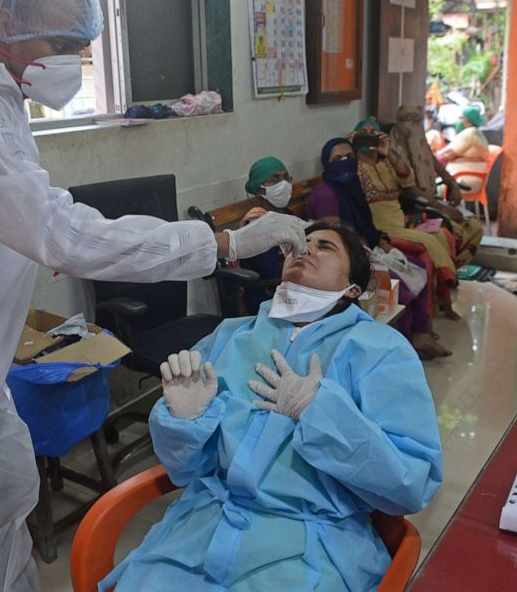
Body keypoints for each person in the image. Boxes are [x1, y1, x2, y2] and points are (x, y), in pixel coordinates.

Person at [0, 0, 307, 592]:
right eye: (61, 45)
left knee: (5, 490)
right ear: (5, 22)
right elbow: (59, 230)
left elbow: (28, 222)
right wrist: (222, 242)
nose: (70, 65)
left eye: (81, 50)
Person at [101, 221, 443, 591]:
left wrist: (322, 414)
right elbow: (187, 469)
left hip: (310, 547)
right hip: (202, 533)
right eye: (299, 242)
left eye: (325, 246)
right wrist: (184, 421)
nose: (305, 249)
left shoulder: (380, 349)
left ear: (353, 288)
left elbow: (411, 483)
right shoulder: (232, 335)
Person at [306, 138, 451, 358]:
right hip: (348, 257)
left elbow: (366, 224)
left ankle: (420, 332)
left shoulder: (352, 187)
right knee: (397, 283)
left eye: (349, 157)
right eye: (338, 159)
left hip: (366, 248)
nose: (345, 162)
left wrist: (380, 242)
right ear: (327, 163)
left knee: (416, 265)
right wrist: (365, 254)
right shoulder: (326, 194)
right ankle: (404, 344)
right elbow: (335, 238)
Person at [351, 118, 463, 319]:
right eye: (364, 133)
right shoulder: (355, 168)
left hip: (401, 224)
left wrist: (388, 152)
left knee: (444, 236)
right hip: (383, 231)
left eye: (374, 133)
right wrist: (351, 148)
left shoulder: (386, 163)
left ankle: (444, 301)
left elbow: (406, 177)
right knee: (429, 245)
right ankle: (443, 287)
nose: (370, 137)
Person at [239, 157, 300, 312]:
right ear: (260, 189)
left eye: (286, 178)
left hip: (293, 285)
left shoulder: (286, 214)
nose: (284, 184)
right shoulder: (255, 225)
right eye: (275, 179)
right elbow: (272, 271)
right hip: (269, 296)